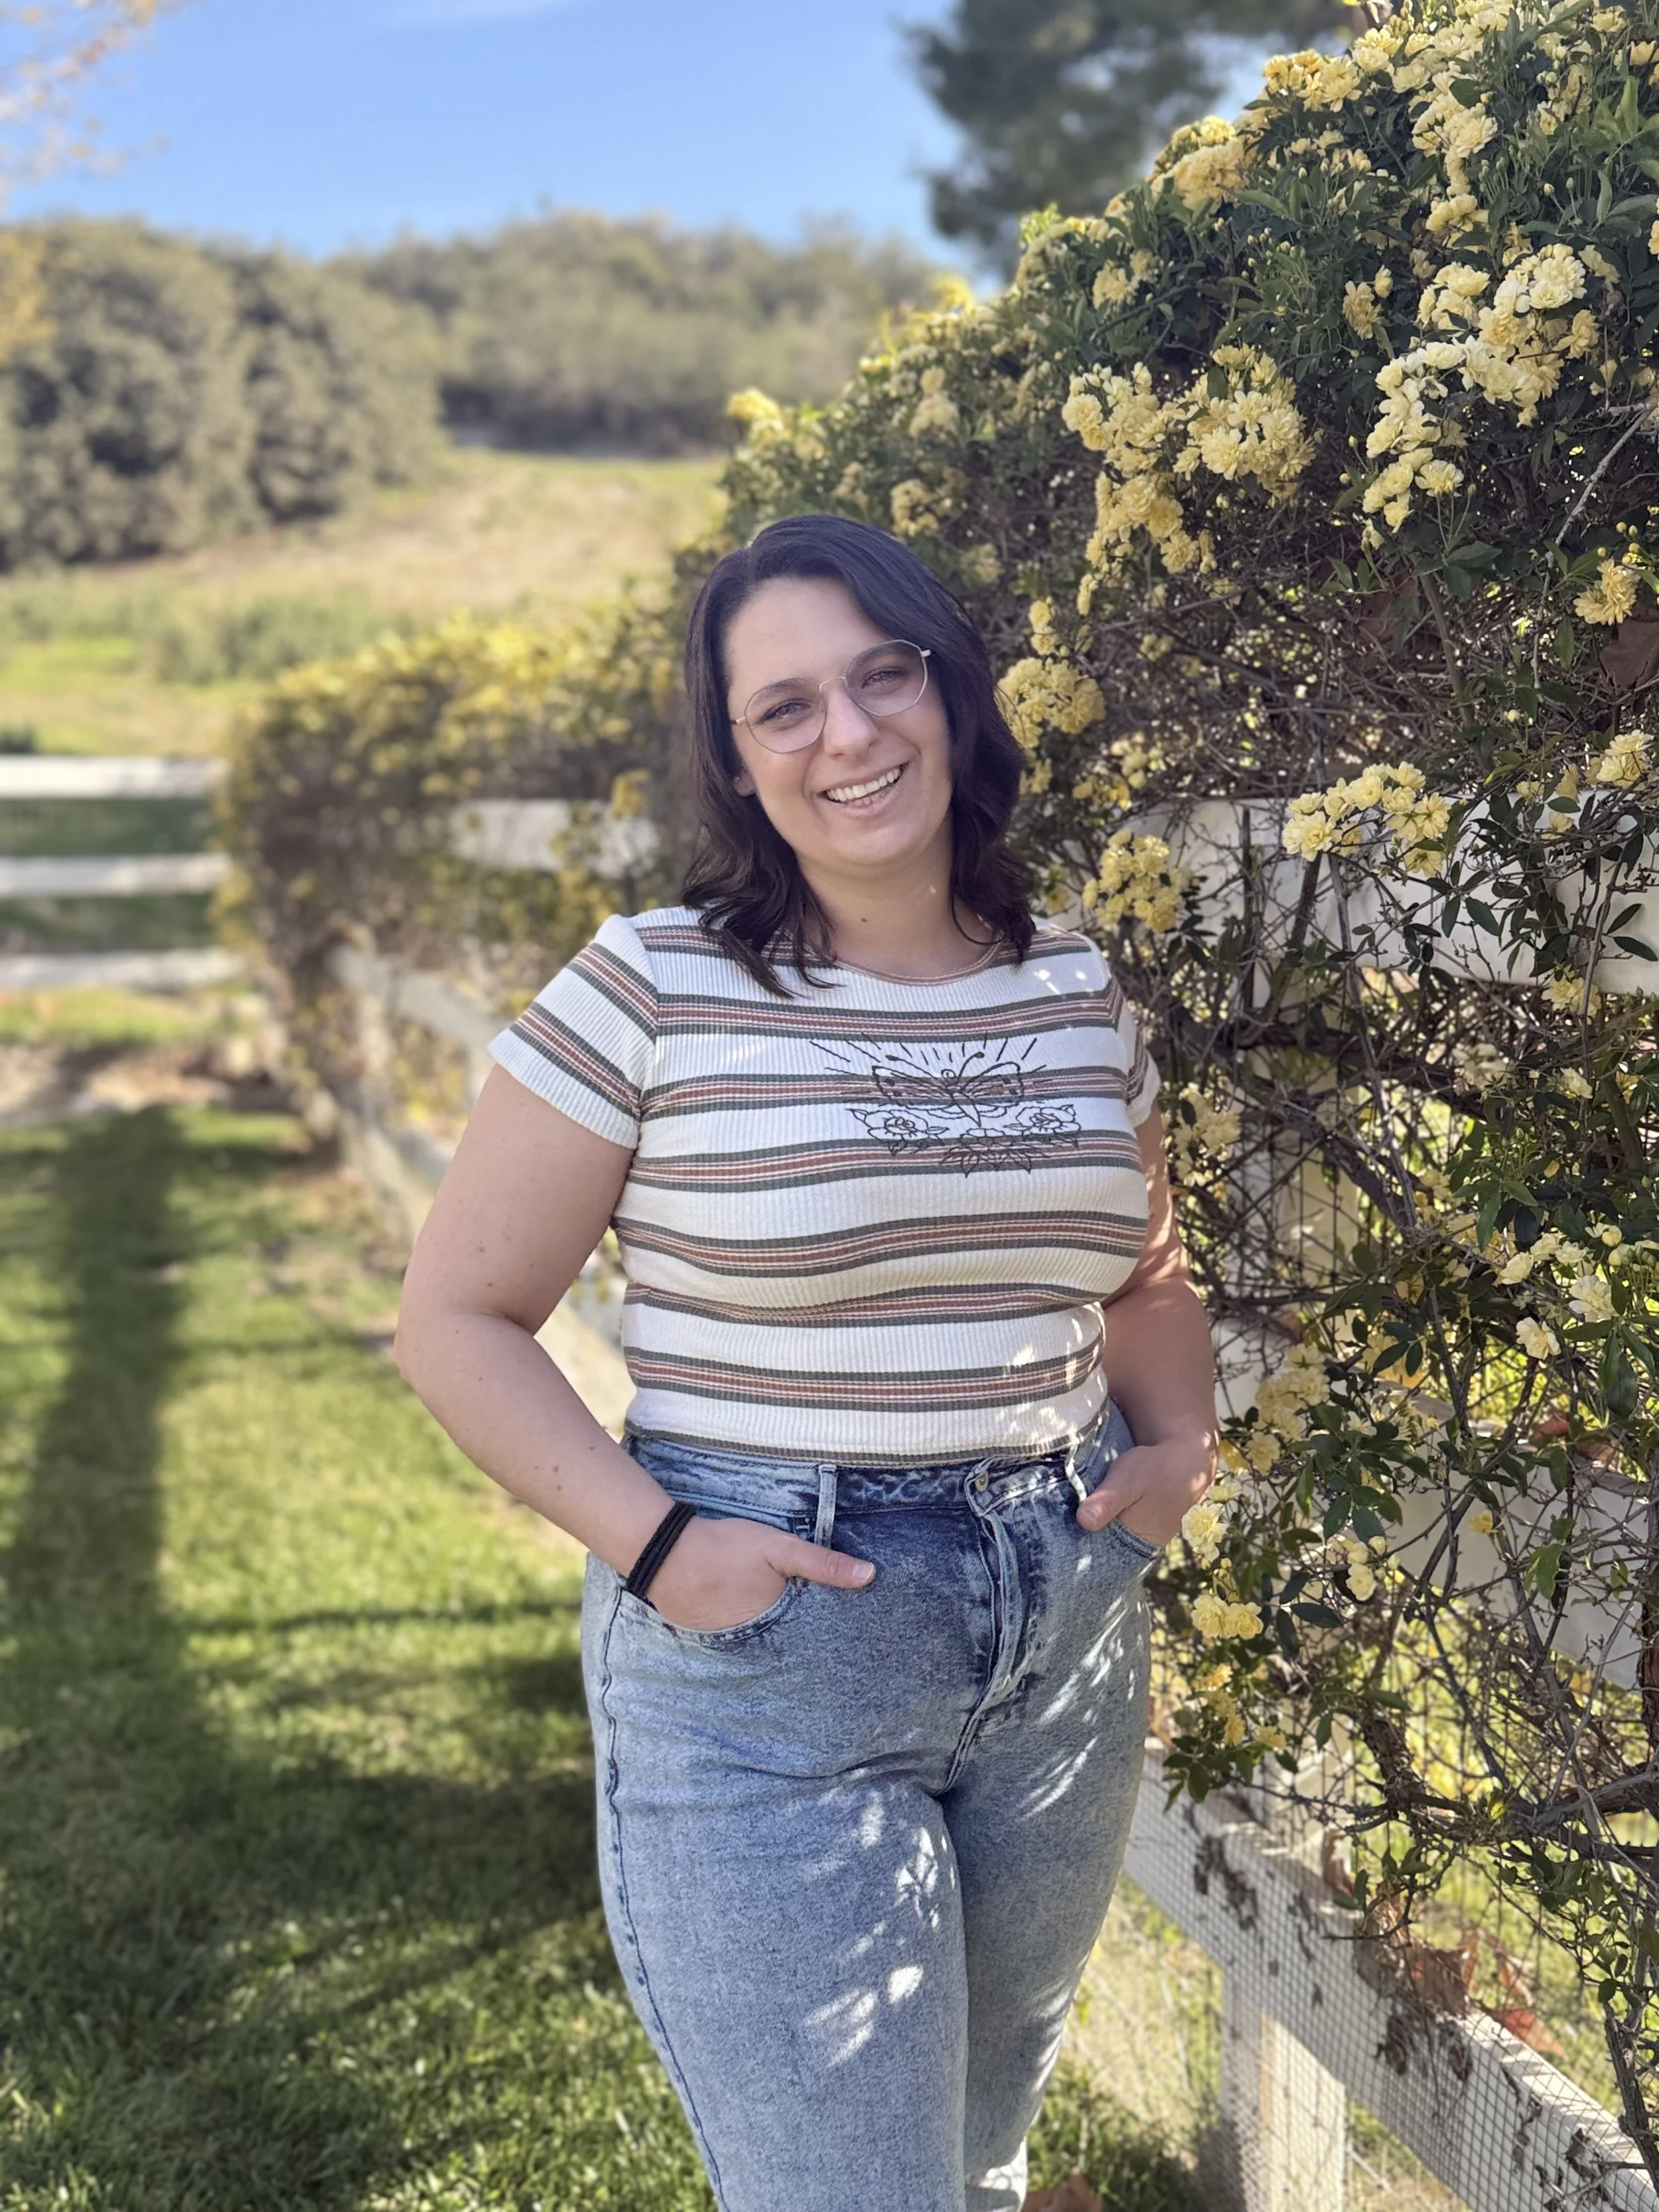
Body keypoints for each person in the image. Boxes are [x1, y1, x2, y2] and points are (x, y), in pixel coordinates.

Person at [395, 512, 1217, 2212]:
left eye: (880, 676)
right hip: (770, 1651)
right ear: (735, 759)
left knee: (976, 2165)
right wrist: (660, 1548)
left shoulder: (1074, 985)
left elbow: (1140, 1272)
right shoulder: (651, 987)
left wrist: (1177, 1440)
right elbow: (455, 1320)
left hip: (1060, 1629)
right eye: (785, 707)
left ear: (947, 691)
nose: (847, 733)